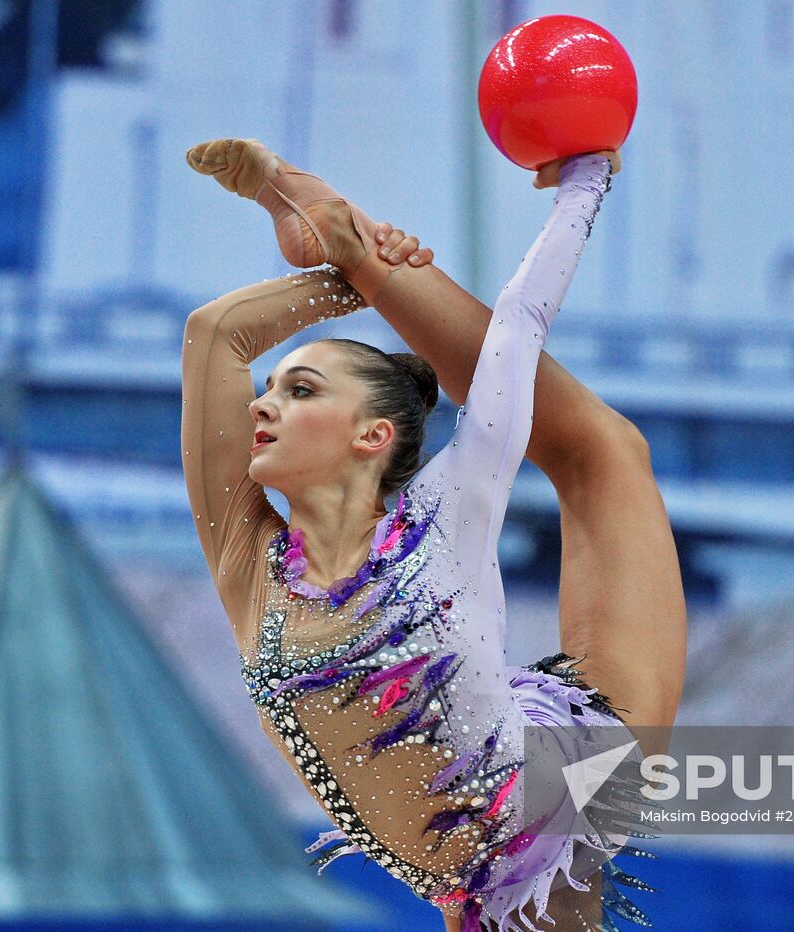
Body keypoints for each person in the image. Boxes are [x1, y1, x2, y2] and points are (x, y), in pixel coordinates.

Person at [180, 137, 686, 931]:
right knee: (599, 451)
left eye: (299, 389)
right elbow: (217, 336)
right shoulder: (253, 565)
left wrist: (585, 183)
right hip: (478, 852)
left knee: (603, 454)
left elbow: (521, 323)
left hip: (561, 794)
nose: (260, 405)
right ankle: (346, 235)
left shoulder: (444, 513)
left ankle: (351, 239)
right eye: (271, 389)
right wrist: (333, 274)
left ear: (373, 436)